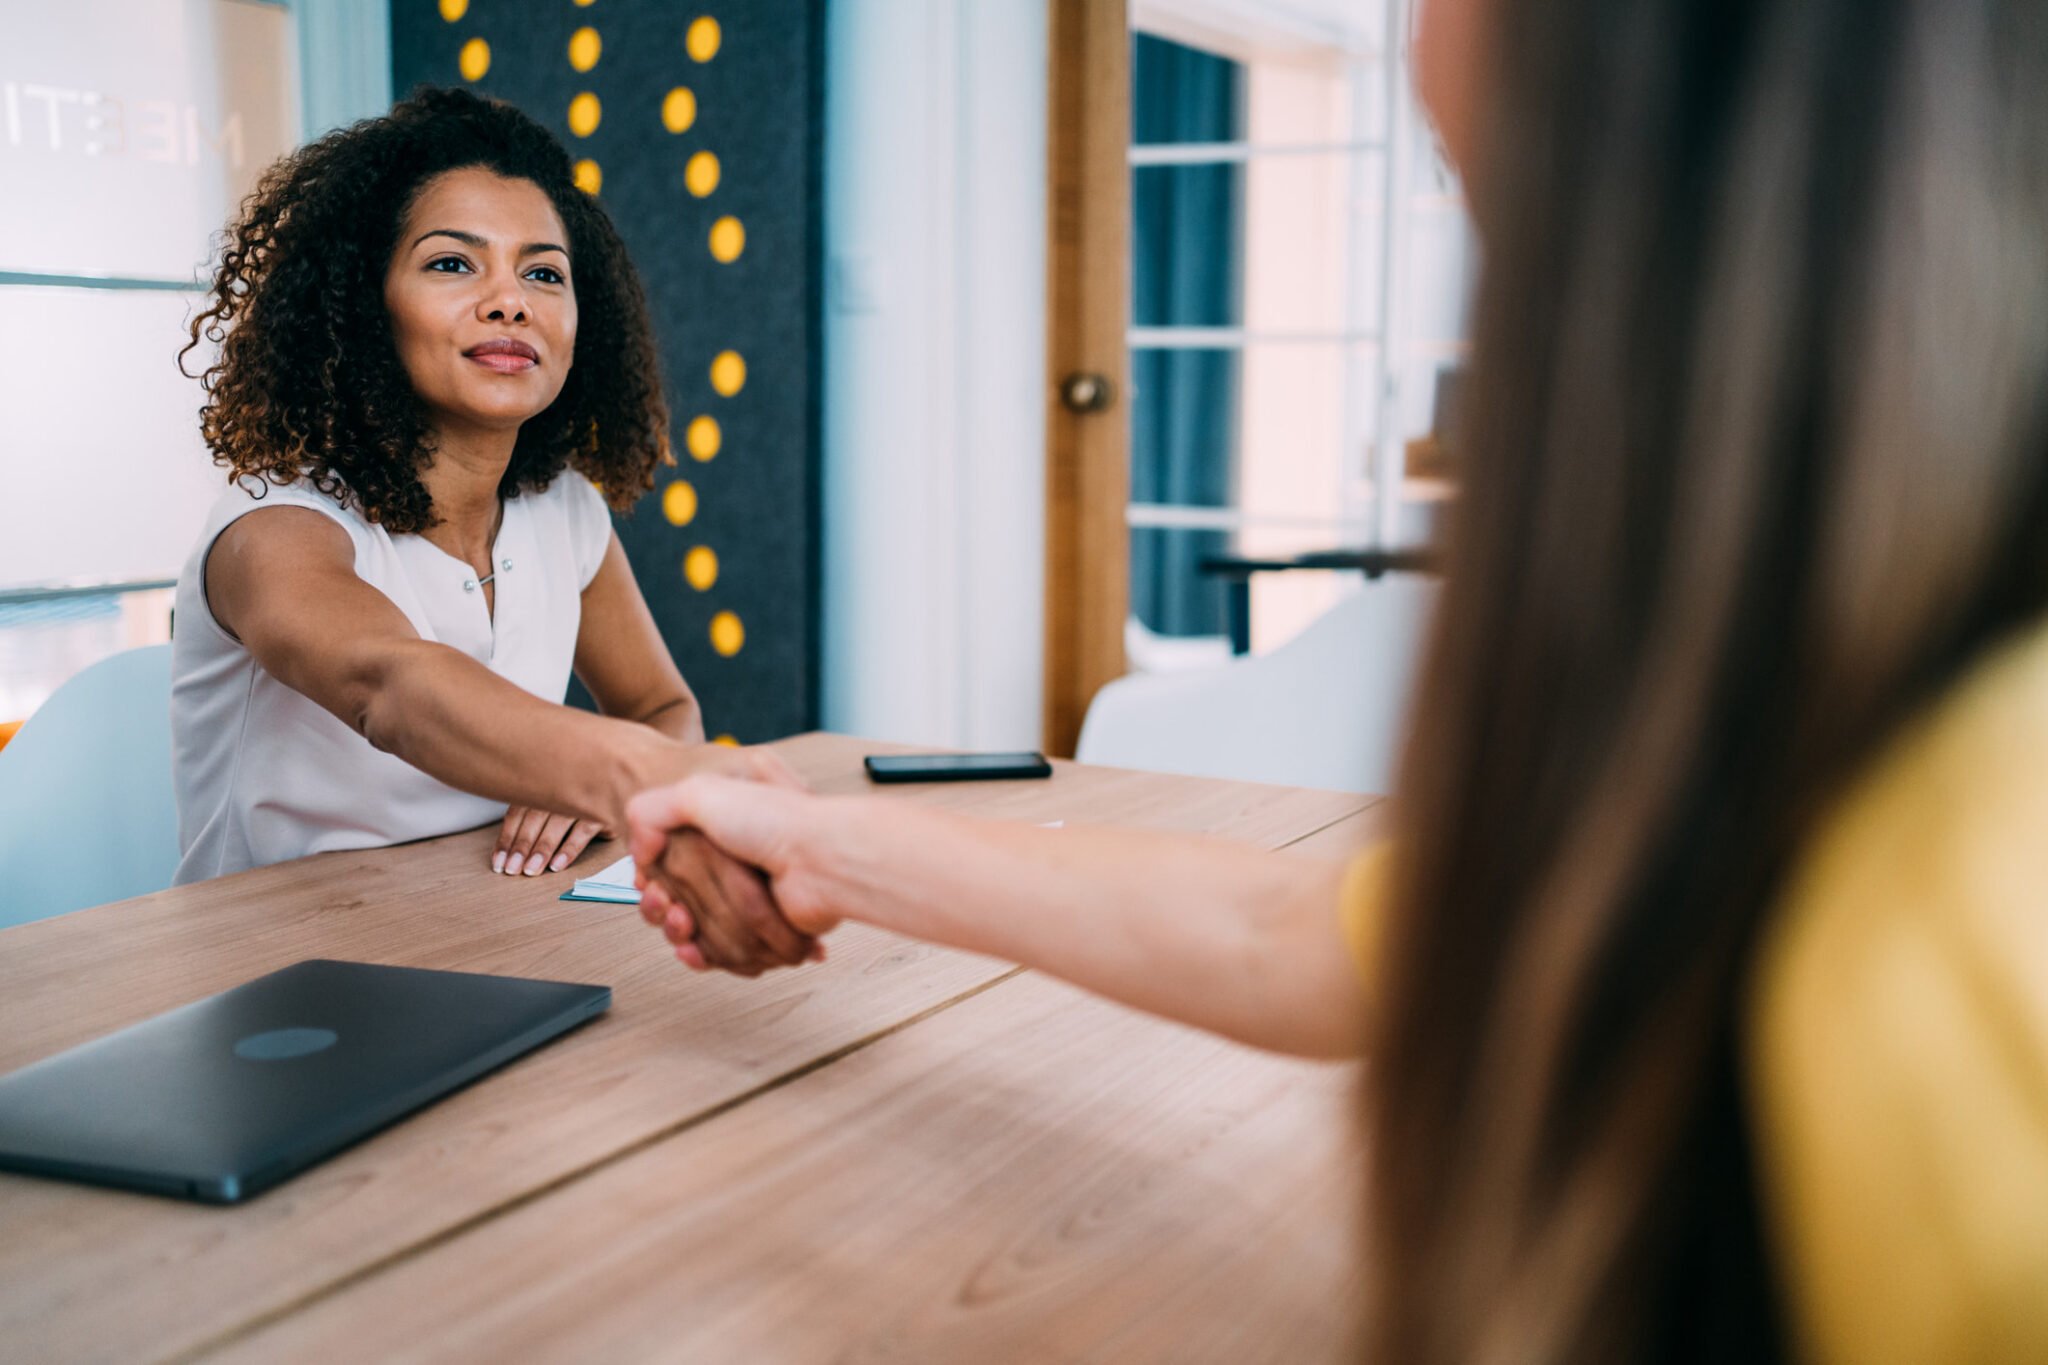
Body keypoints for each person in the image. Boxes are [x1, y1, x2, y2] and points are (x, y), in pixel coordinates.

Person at [626, 0, 2048, 1360]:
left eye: (1506, 211)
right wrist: (825, 848)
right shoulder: (1826, 741)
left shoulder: (1965, 909)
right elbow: (1291, 932)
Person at [169, 87, 810, 962]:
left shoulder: (565, 511)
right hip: (275, 973)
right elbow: (391, 687)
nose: (511, 300)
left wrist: (586, 789)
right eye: (452, 264)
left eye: (544, 273)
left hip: (496, 937)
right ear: (365, 301)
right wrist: (625, 774)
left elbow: (663, 706)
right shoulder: (273, 530)